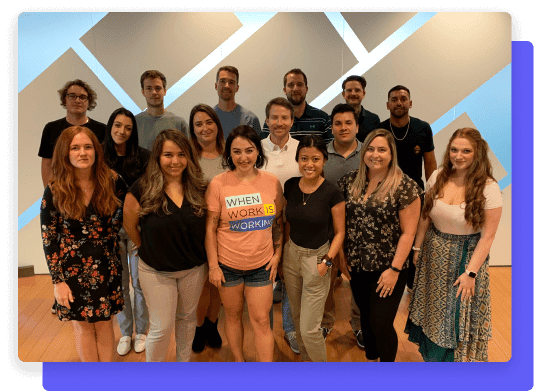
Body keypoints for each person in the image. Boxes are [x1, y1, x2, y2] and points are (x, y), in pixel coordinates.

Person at [407, 128, 502, 362]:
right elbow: (425, 216)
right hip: (433, 255)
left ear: (478, 153)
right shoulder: (437, 176)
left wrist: (471, 273)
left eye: (466, 151)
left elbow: (487, 237)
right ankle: (433, 363)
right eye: (454, 150)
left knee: (457, 316)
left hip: (465, 260)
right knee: (434, 313)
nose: (458, 156)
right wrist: (417, 248)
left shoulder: (488, 187)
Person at [40, 126, 125, 362]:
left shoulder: (113, 181)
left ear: (96, 151)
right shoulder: (55, 190)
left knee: (105, 324)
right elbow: (49, 238)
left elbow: (127, 215)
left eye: (88, 147)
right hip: (72, 270)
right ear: (65, 153)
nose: (83, 153)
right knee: (83, 327)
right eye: (75, 148)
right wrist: (58, 282)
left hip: (107, 266)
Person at [123, 129, 208, 362]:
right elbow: (129, 224)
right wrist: (144, 246)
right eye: (168, 155)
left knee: (187, 320)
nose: (175, 161)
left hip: (193, 269)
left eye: (181, 154)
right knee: (161, 329)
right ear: (157, 157)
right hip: (156, 271)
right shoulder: (141, 189)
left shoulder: (199, 187)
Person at [338, 128, 422, 362]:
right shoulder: (350, 181)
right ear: (364, 152)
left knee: (381, 322)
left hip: (388, 268)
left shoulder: (405, 186)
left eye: (382, 150)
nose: (376, 154)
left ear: (391, 153)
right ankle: (372, 361)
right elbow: (343, 224)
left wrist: (394, 270)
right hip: (357, 265)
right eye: (371, 149)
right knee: (366, 318)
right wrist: (342, 257)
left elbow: (409, 232)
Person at [205, 125, 284, 362]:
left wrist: (277, 254)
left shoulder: (272, 182)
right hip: (227, 265)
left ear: (258, 152)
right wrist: (213, 266)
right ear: (229, 154)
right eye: (237, 151)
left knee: (261, 321)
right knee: (232, 316)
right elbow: (210, 229)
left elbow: (278, 223)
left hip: (261, 265)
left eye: (249, 151)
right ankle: (240, 364)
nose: (243, 157)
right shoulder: (218, 184)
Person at [282, 135, 345, 362]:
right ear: (298, 160)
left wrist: (327, 262)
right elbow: (283, 219)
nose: (309, 164)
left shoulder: (332, 191)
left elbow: (340, 232)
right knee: (298, 319)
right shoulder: (290, 186)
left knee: (310, 328)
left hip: (318, 258)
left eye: (315, 159)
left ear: (324, 160)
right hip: (291, 256)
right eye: (304, 158)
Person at [377, 85, 438, 291]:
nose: (399, 103)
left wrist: (432, 193)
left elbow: (430, 163)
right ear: (388, 105)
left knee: (414, 240)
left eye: (403, 99)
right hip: (386, 195)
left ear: (410, 103)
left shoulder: (422, 128)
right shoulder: (381, 130)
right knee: (390, 239)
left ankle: (413, 284)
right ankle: (389, 280)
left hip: (416, 196)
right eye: (394, 99)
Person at [102, 108, 151, 356]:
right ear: (110, 126)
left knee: (140, 282)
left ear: (133, 132)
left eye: (128, 128)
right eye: (118, 125)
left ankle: (142, 331)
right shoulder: (99, 156)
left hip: (136, 227)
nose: (122, 131)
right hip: (108, 232)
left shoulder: (143, 157)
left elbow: (150, 191)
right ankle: (125, 332)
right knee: (120, 284)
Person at [321, 103, 363, 348]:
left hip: (361, 229)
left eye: (349, 123)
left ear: (357, 126)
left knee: (356, 278)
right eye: (338, 123)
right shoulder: (322, 156)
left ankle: (358, 325)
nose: (343, 127)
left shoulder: (369, 154)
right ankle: (326, 322)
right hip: (328, 229)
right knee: (326, 277)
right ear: (332, 127)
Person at [261, 97, 301, 354]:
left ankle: (290, 329)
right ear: (266, 121)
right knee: (264, 278)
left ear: (292, 121)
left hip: (294, 224)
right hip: (261, 225)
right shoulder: (256, 148)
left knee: (289, 279)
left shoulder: (301, 148)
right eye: (274, 117)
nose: (279, 123)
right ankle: (265, 330)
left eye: (284, 118)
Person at [188, 104, 226, 353]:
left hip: (228, 230)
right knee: (202, 284)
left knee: (219, 284)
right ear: (193, 129)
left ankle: (213, 324)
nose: (204, 128)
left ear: (217, 125)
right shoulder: (189, 157)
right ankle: (199, 327)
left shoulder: (229, 154)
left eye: (208, 122)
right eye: (198, 124)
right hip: (198, 230)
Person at [39, 79, 106, 188]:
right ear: (64, 99)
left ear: (89, 101)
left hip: (93, 190)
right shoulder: (51, 128)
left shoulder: (102, 129)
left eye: (83, 97)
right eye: (72, 96)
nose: (77, 100)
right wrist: (49, 191)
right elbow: (47, 163)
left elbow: (104, 164)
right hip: (62, 191)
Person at [260, 69, 332, 142]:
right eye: (290, 85)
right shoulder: (273, 120)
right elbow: (264, 147)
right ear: (285, 90)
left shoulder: (323, 119)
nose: (295, 89)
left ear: (306, 89)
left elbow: (329, 150)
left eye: (300, 84)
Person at [135, 70, 188, 149]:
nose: (154, 92)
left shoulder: (179, 123)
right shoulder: (134, 122)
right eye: (149, 88)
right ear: (143, 92)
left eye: (158, 88)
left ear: (165, 91)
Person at [213, 66, 261, 138]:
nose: (227, 86)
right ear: (216, 86)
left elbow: (257, 148)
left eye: (231, 82)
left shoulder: (250, 119)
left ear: (237, 88)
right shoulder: (208, 117)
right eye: (222, 81)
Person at [341, 75, 380, 143]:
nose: (353, 93)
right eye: (349, 90)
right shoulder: (334, 119)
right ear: (344, 94)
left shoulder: (373, 120)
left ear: (363, 94)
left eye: (357, 90)